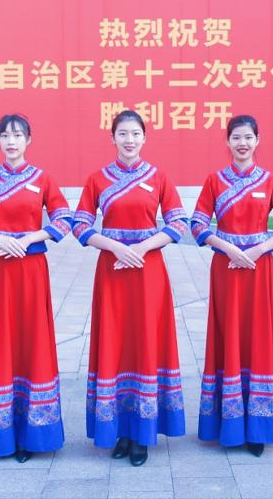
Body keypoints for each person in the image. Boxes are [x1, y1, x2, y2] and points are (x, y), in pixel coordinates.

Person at [71, 109, 189, 466]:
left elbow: (178, 223)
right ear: (112, 138)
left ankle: (143, 432)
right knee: (116, 344)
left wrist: (140, 248)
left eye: (135, 133)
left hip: (148, 272)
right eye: (122, 133)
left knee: (145, 343)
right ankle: (118, 430)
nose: (129, 140)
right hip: (112, 272)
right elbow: (80, 225)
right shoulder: (97, 179)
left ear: (144, 137)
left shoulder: (158, 177)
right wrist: (114, 247)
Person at [0, 114, 72, 462]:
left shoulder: (42, 179)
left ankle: (34, 434)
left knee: (33, 340)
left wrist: (30, 237)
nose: (11, 141)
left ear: (28, 140)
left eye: (18, 135)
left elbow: (64, 219)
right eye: (5, 136)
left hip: (32, 269)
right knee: (0, 341)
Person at [189, 115, 273, 456]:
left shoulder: (269, 180)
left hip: (258, 269)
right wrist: (228, 248)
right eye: (236, 137)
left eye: (248, 137)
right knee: (229, 336)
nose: (242, 143)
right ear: (227, 141)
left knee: (259, 336)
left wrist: (258, 249)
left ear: (257, 140)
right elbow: (197, 224)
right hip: (226, 268)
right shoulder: (214, 180)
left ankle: (259, 425)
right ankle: (228, 423)